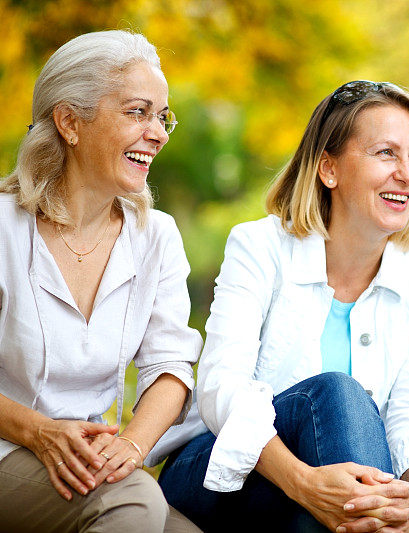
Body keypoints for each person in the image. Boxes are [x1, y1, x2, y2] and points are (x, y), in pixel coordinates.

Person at [158, 80, 409, 532]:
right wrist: (305, 482)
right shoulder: (259, 246)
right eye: (386, 153)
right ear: (328, 169)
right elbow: (222, 389)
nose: (408, 173)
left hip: (339, 494)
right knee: (338, 394)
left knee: (336, 514)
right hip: (216, 472)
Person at [0, 30, 203, 532]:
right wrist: (41, 431)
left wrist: (132, 444)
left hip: (96, 461)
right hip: (8, 447)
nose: (157, 132)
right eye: (137, 112)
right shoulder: (4, 228)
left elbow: (171, 367)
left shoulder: (156, 237)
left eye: (162, 116)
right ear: (70, 121)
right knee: (131, 504)